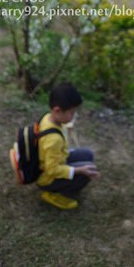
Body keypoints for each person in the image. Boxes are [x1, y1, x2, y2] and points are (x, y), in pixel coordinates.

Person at [37, 82, 100, 210]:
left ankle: (67, 182)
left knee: (88, 154)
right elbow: (52, 170)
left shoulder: (48, 118)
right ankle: (53, 193)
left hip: (57, 158)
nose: (74, 116)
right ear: (57, 110)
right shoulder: (53, 140)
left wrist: (66, 125)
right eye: (71, 113)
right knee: (87, 172)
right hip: (48, 177)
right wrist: (79, 170)